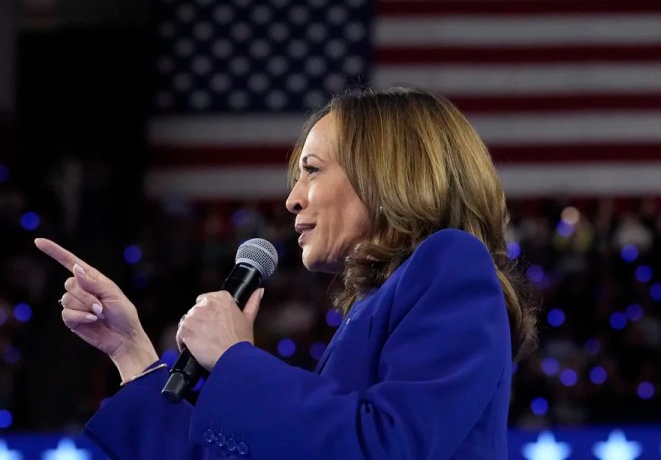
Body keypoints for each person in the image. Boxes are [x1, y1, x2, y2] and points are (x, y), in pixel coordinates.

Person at [35, 86, 538, 460]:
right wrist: (132, 354)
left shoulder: (450, 261)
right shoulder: (368, 312)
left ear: (388, 173)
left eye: (313, 169)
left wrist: (234, 359)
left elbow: (390, 446)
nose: (292, 198)